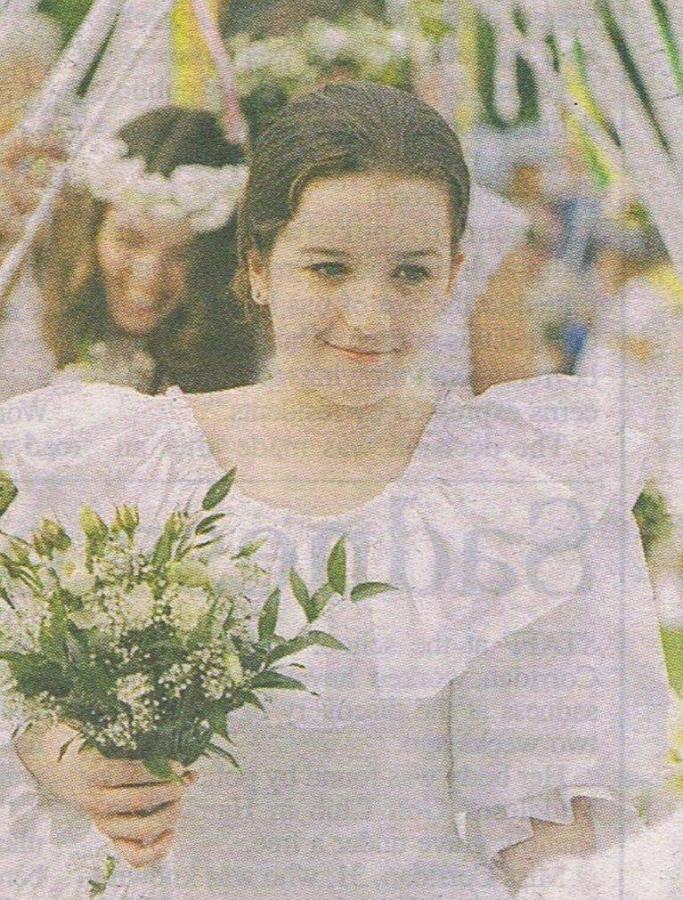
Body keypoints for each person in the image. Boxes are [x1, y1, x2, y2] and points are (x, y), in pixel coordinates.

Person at [0, 83, 670, 898]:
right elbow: (20, 699)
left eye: (410, 274)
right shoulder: (128, 463)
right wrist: (71, 760)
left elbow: (543, 810)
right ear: (257, 267)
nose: (369, 316)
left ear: (454, 275)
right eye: (328, 269)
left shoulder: (508, 485)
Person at [26, 106, 265, 394]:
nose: (149, 277)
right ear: (91, 231)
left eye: (183, 255)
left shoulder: (252, 365)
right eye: (129, 241)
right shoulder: (26, 312)